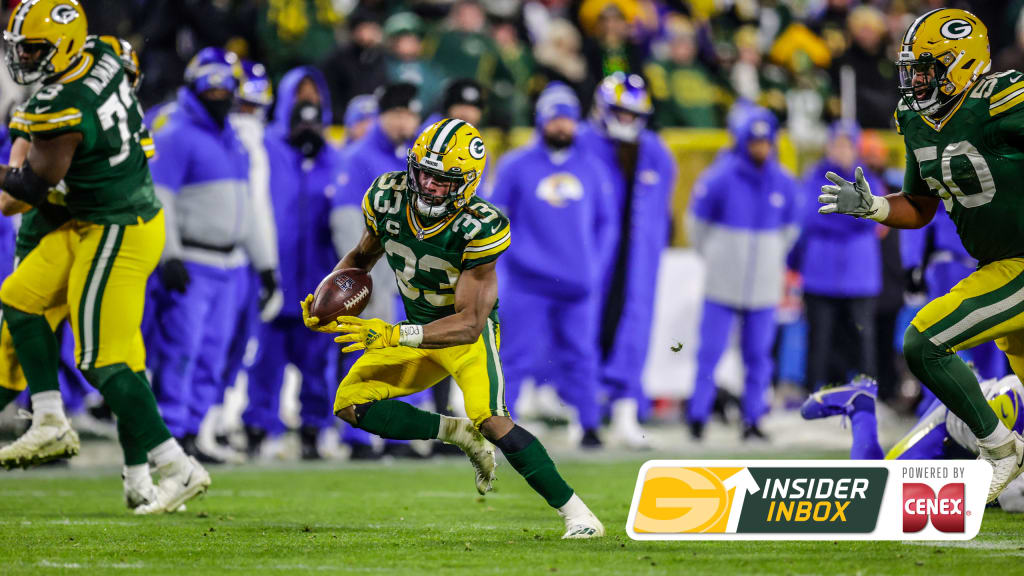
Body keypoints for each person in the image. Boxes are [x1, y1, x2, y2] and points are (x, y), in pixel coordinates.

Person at [302, 118, 605, 539]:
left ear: (466, 184)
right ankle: (456, 433)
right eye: (423, 174)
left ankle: (579, 515)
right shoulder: (387, 197)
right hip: (416, 330)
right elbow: (359, 259)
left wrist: (393, 334)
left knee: (493, 420)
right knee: (351, 404)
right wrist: (324, 300)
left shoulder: (481, 226)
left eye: (442, 181)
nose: (427, 187)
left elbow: (469, 324)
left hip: (466, 339)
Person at [0, 1, 209, 514]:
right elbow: (124, 72)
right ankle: (58, 424)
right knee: (19, 298)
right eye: (20, 47)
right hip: (100, 211)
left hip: (116, 224)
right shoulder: (109, 53)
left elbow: (22, 191)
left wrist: (27, 139)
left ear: (64, 47)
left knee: (104, 357)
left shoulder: (60, 106)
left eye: (34, 48)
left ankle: (176, 466)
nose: (24, 57)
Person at [818, 8, 1024, 502]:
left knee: (924, 340)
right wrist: (874, 206)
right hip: (997, 264)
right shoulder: (916, 119)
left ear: (961, 63)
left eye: (927, 68)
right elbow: (919, 206)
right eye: (911, 69)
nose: (915, 80)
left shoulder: (1000, 99)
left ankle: (1000, 448)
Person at [146, 48, 278, 464]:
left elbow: (249, 208)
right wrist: (169, 254)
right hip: (194, 260)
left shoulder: (233, 139)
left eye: (227, 88)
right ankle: (168, 434)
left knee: (213, 353)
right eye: (212, 88)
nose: (220, 96)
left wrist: (266, 266)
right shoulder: (176, 134)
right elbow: (159, 197)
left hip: (231, 264)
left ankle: (192, 431)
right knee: (181, 350)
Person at [487, 82, 617, 447]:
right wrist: (511, 258)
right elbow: (495, 216)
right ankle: (501, 428)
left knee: (582, 355)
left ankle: (590, 424)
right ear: (541, 121)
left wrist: (595, 263)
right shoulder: (516, 165)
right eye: (555, 119)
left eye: (568, 120)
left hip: (577, 283)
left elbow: (608, 223)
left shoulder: (592, 168)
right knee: (513, 356)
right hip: (528, 282)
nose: (562, 127)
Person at [243, 67, 341, 461]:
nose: (308, 101)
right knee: (265, 362)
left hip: (319, 280)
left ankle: (314, 431)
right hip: (276, 274)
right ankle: (256, 429)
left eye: (313, 94)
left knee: (317, 365)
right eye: (300, 92)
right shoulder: (265, 147)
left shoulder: (333, 154)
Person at [687, 105, 799, 441]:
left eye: (766, 143)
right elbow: (696, 225)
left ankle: (752, 420)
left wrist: (771, 256)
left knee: (758, 357)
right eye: (754, 142)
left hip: (763, 287)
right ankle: (698, 416)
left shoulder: (784, 181)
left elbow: (792, 228)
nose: (760, 149)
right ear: (742, 142)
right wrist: (719, 256)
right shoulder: (720, 177)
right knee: (709, 352)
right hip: (722, 284)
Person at [579, 73, 676, 446]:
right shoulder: (582, 145)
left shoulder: (656, 152)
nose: (626, 121)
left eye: (633, 114)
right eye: (619, 112)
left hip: (636, 258)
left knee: (632, 329)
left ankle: (624, 411)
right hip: (589, 255)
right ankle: (579, 410)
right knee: (582, 329)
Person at [329, 82, 422, 459]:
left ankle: (391, 433)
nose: (405, 121)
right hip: (377, 279)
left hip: (408, 282)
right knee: (366, 355)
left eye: (410, 114)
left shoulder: (413, 159)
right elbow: (344, 221)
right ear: (381, 116)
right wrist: (360, 278)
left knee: (402, 360)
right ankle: (356, 436)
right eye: (397, 114)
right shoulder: (358, 158)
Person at [800, 374, 1024, 512]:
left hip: (979, 448)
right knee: (874, 494)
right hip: (950, 420)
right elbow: (1012, 500)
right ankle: (860, 405)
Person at [794, 121, 883, 392]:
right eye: (837, 144)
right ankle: (813, 393)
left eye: (847, 145)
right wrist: (851, 218)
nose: (842, 151)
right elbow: (809, 217)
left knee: (862, 338)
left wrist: (836, 215)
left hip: (859, 277)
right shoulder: (813, 177)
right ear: (828, 147)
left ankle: (867, 393)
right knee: (819, 340)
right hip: (821, 275)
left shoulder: (869, 180)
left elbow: (873, 218)